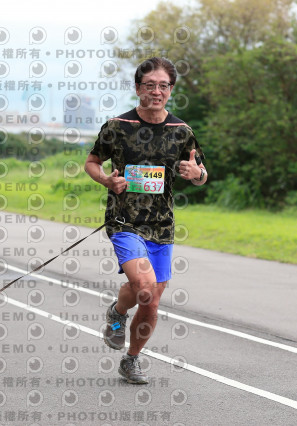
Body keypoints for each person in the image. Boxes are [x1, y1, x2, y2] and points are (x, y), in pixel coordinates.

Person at [84, 57, 207, 384]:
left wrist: (196, 174)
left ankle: (130, 355)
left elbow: (201, 172)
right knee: (145, 289)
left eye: (163, 86)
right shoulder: (117, 127)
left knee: (150, 301)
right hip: (124, 221)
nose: (156, 91)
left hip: (162, 226)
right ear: (138, 88)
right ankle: (119, 315)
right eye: (149, 85)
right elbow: (92, 162)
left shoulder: (181, 132)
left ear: (171, 90)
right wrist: (107, 180)